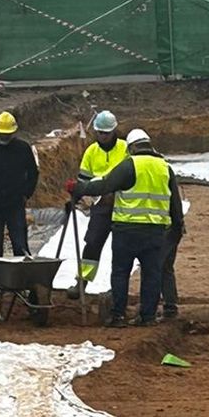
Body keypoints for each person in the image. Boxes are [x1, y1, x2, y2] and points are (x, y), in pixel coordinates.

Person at [78, 126, 183, 326]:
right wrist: (177, 228)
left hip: (126, 231)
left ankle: (118, 316)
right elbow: (175, 203)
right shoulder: (165, 168)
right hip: (155, 232)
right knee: (152, 274)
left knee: (120, 272)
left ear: (132, 147)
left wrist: (79, 188)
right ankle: (148, 317)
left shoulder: (129, 165)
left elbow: (105, 185)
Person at [0, 111, 41, 305]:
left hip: (15, 204)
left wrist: (25, 194)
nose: (4, 137)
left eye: (7, 134)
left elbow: (33, 173)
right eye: (1, 134)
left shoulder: (22, 149)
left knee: (20, 244)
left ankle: (22, 282)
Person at [73, 109, 129, 288]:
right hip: (101, 206)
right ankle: (82, 282)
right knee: (93, 242)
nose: (103, 136)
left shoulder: (125, 148)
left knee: (122, 248)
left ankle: (119, 287)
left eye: (106, 133)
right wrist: (78, 197)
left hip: (123, 206)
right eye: (100, 132)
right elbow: (83, 180)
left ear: (113, 131)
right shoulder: (91, 152)